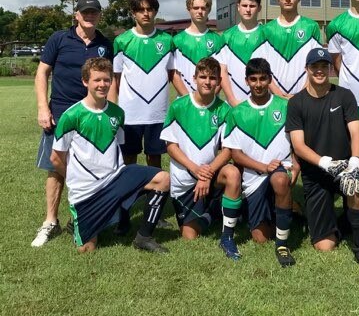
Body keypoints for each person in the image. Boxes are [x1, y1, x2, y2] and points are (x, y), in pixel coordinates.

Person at [49, 58, 170, 253]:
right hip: (86, 193)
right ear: (85, 81)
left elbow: (118, 148)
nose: (102, 85)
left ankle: (143, 237)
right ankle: (82, 221)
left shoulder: (117, 113)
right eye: (97, 80)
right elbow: (55, 159)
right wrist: (75, 178)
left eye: (106, 80)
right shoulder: (72, 116)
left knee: (163, 179)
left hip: (115, 180)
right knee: (87, 249)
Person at [286, 47, 359, 272]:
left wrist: (355, 163)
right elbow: (298, 146)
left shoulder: (344, 95)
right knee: (325, 246)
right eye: (315, 67)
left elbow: (356, 133)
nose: (320, 71)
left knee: (355, 185)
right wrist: (324, 163)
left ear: (330, 69)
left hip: (344, 166)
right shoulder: (296, 103)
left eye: (324, 66)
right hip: (317, 173)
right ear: (307, 69)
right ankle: (343, 222)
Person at [32, 0, 113, 247]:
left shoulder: (104, 44)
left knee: (93, 169)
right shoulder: (59, 38)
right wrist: (43, 107)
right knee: (56, 168)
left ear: (99, 15)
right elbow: (42, 73)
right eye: (85, 12)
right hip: (60, 115)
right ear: (76, 14)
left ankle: (83, 216)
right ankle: (50, 221)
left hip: (93, 119)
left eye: (94, 12)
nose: (89, 16)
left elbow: (109, 81)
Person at [160, 57, 243, 259]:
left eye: (213, 78)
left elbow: (228, 150)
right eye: (203, 77)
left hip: (209, 174)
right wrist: (195, 170)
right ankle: (213, 211)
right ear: (194, 78)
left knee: (232, 172)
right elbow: (171, 146)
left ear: (219, 81)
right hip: (185, 182)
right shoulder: (179, 106)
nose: (208, 82)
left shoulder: (224, 110)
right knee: (190, 236)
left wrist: (207, 174)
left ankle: (227, 235)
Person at [223, 58, 298, 267]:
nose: (258, 84)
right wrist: (263, 167)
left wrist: (296, 165)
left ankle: (282, 245)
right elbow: (235, 155)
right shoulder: (237, 112)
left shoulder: (285, 106)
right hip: (253, 178)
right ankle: (286, 210)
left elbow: (297, 143)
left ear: (270, 80)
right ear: (246, 81)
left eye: (263, 79)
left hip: (280, 170)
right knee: (260, 238)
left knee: (281, 180)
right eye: (253, 79)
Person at [109, 0, 186, 168]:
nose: (145, 13)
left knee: (155, 158)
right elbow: (116, 78)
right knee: (129, 158)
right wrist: (113, 109)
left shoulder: (167, 40)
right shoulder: (122, 40)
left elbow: (173, 74)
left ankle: (154, 194)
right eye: (140, 9)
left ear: (155, 12)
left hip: (157, 112)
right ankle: (132, 194)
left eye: (150, 9)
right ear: (133, 13)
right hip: (129, 114)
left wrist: (189, 99)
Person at [263, 0, 322, 98]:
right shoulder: (267, 29)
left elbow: (317, 64)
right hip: (275, 98)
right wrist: (278, 94)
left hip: (305, 96)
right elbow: (263, 68)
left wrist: (301, 94)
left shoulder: (311, 27)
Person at [218, 0, 268, 107]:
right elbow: (222, 70)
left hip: (263, 103)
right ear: (238, 7)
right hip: (235, 103)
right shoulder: (227, 35)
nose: (248, 9)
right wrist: (232, 100)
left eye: (252, 6)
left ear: (259, 8)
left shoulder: (267, 34)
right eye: (244, 5)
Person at [172, 0, 224, 93]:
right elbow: (174, 73)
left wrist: (211, 97)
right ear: (189, 10)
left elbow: (223, 73)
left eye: (203, 8)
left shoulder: (218, 40)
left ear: (208, 10)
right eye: (196, 8)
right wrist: (189, 100)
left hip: (211, 102)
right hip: (186, 102)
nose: (200, 11)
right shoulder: (177, 40)